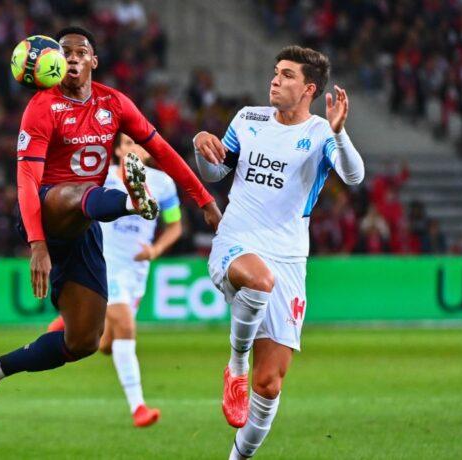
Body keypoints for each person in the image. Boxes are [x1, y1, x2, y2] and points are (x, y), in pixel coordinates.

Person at [0, 27, 221, 423]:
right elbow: (27, 180)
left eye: (80, 51)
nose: (72, 57)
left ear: (93, 61)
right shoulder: (41, 107)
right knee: (81, 190)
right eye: (64, 52)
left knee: (84, 340)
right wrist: (37, 245)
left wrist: (204, 199)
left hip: (84, 228)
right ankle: (132, 202)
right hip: (47, 211)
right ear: (53, 61)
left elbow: (162, 151)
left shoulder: (113, 103)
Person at [193, 45, 364, 459]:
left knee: (269, 385)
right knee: (258, 279)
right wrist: (201, 145)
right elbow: (216, 172)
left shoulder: (321, 133)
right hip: (236, 241)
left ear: (308, 89)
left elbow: (353, 176)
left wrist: (339, 132)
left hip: (288, 258)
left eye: (287, 75)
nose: (275, 79)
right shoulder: (248, 119)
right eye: (275, 72)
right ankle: (236, 365)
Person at [46, 133, 183, 427]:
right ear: (119, 150)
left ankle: (73, 323)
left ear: (147, 152)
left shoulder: (163, 184)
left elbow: (175, 226)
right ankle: (138, 407)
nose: (134, 148)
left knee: (107, 344)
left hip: (136, 270)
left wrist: (155, 250)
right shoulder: (102, 177)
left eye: (139, 144)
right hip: (104, 262)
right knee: (126, 326)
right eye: (128, 143)